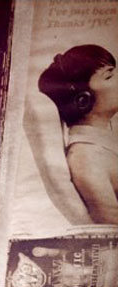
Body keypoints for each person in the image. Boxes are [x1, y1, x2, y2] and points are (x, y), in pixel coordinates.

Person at [38, 45, 118, 224]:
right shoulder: (86, 157)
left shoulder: (103, 145)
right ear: (83, 100)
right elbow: (109, 226)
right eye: (109, 76)